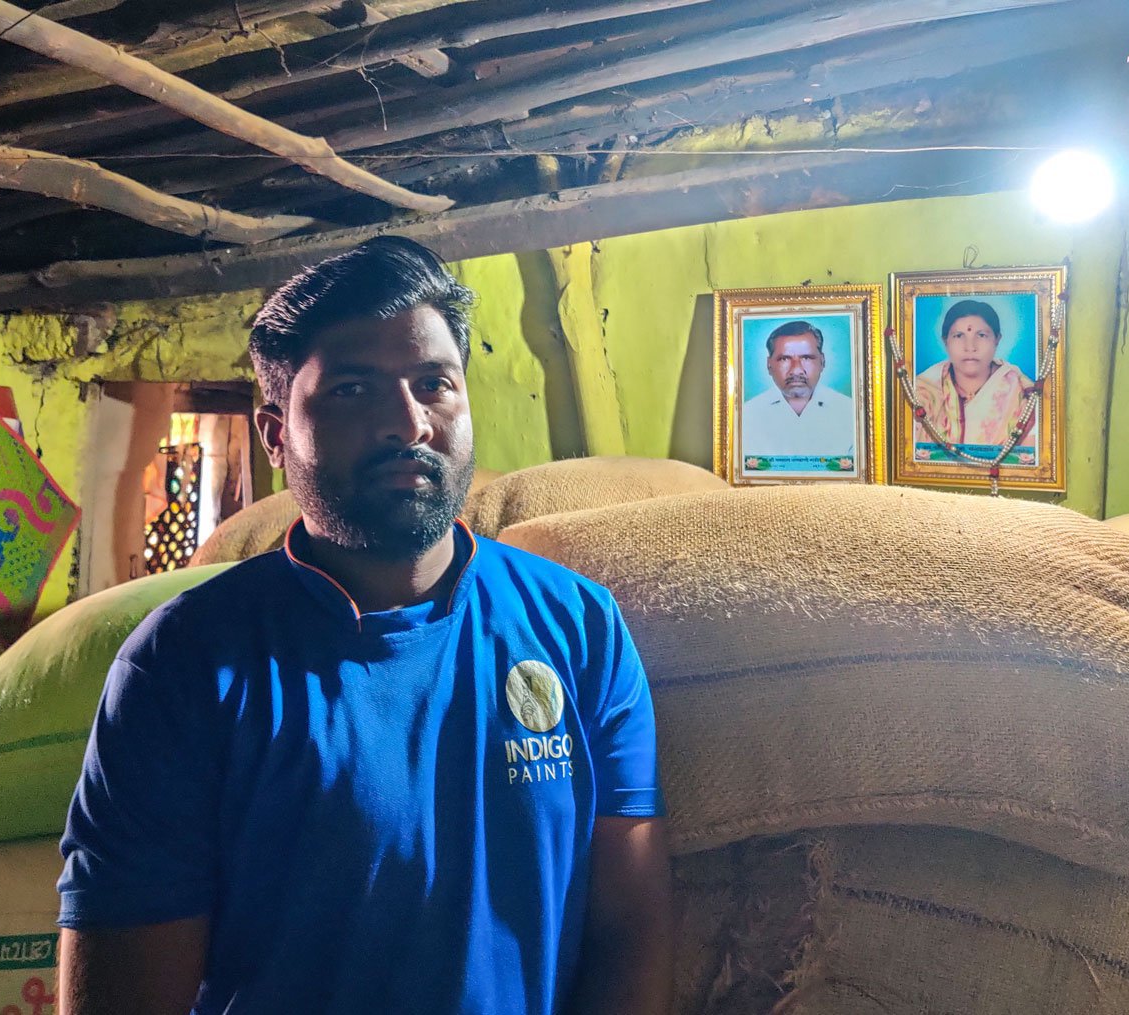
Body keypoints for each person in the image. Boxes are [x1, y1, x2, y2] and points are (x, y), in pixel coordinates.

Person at [55, 237, 672, 1015]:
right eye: (353, 389)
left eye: (433, 384)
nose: (407, 421)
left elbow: (630, 939)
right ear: (276, 433)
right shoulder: (185, 664)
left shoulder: (578, 628)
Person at [912, 299, 1036, 452]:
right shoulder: (923, 390)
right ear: (946, 341)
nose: (970, 347)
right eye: (958, 336)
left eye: (982, 335)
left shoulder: (1023, 394)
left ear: (997, 340)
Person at [739, 320, 856, 458]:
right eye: (784, 359)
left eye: (806, 358)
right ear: (769, 365)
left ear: (822, 361)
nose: (796, 370)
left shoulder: (850, 413)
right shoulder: (747, 416)